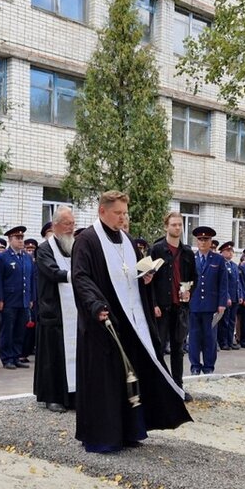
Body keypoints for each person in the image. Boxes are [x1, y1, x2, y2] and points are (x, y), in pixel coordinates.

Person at [70, 191, 190, 453]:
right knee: (105, 380)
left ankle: (129, 431)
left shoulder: (127, 240)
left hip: (131, 323)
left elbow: (133, 273)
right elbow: (80, 278)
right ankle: (102, 436)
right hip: (105, 322)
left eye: (125, 213)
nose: (123, 218)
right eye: (118, 213)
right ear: (102, 211)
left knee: (128, 377)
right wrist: (96, 305)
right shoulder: (87, 240)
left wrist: (145, 279)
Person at [33, 207, 78, 412]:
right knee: (53, 356)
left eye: (72, 224)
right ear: (55, 226)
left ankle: (73, 394)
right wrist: (75, 276)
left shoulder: (74, 246)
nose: (71, 228)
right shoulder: (44, 249)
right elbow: (52, 272)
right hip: (53, 310)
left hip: (74, 310)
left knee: (74, 354)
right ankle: (52, 396)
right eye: (67, 224)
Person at [148, 212, 194, 397]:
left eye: (180, 225)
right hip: (162, 308)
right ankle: (159, 387)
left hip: (180, 307)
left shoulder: (188, 252)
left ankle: (178, 387)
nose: (177, 228)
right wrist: (153, 303)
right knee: (158, 348)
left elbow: (193, 277)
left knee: (178, 348)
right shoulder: (157, 250)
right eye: (174, 224)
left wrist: (190, 291)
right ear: (166, 226)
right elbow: (149, 279)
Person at [0, 226, 34, 370]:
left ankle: (16, 356)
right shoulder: (3, 257)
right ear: (10, 240)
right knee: (7, 330)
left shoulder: (27, 257)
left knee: (19, 330)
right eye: (18, 238)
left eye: (22, 238)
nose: (21, 241)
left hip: (23, 299)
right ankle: (7, 358)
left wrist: (31, 298)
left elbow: (31, 279)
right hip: (9, 300)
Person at [188, 226, 228, 375]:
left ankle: (209, 366)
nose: (203, 242)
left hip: (211, 305)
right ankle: (195, 366)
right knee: (194, 337)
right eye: (200, 239)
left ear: (211, 241)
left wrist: (222, 304)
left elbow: (223, 284)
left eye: (206, 239)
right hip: (194, 304)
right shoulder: (191, 258)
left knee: (210, 338)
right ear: (196, 241)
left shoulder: (218, 259)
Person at [216, 241, 240, 351]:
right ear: (222, 252)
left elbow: (237, 282)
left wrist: (239, 295)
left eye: (231, 251)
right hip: (227, 297)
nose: (230, 253)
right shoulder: (221, 264)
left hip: (235, 297)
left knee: (231, 321)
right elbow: (223, 283)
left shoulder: (234, 266)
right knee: (224, 321)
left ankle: (230, 341)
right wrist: (228, 297)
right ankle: (223, 342)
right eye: (227, 251)